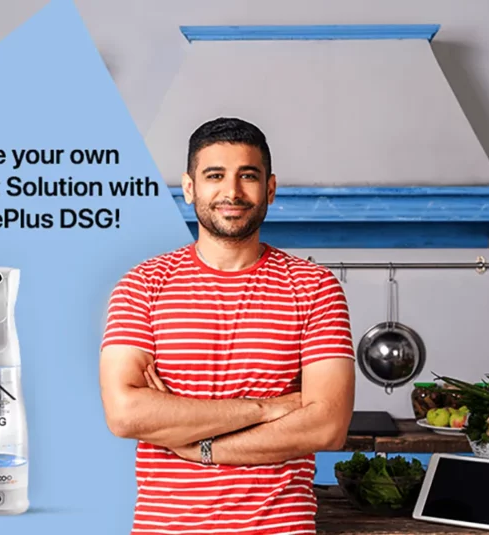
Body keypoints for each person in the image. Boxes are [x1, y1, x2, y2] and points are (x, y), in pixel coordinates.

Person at [99, 117, 356, 535]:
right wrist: (269, 407)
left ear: (269, 189)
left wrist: (197, 447)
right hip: (166, 528)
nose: (232, 192)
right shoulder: (142, 285)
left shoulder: (315, 288)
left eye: (248, 176)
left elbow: (327, 426)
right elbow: (125, 414)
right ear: (189, 188)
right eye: (214, 175)